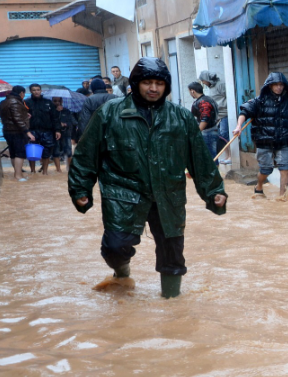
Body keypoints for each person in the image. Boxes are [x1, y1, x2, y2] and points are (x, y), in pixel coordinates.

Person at [68, 57, 228, 299]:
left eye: (159, 83)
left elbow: (200, 159)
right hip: (122, 192)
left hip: (168, 192)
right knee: (114, 246)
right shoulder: (110, 113)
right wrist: (81, 189)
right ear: (135, 83)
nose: (153, 88)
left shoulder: (181, 117)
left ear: (167, 86)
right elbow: (86, 154)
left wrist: (214, 190)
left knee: (172, 250)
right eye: (148, 82)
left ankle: (173, 307)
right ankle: (122, 275)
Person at [234, 72, 288, 199]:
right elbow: (244, 112)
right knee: (266, 170)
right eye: (276, 85)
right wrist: (238, 126)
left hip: (284, 140)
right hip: (264, 140)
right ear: (269, 86)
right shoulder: (259, 101)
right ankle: (259, 186)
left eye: (281, 85)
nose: (279, 87)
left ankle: (282, 197)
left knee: (285, 168)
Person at [25, 83, 61, 175]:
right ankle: (33, 171)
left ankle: (45, 172)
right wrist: (26, 131)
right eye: (34, 90)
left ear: (41, 91)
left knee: (47, 151)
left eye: (38, 90)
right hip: (32, 130)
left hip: (47, 130)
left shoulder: (48, 102)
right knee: (32, 151)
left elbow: (55, 118)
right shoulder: (26, 103)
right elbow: (22, 117)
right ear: (31, 91)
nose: (36, 92)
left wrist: (57, 130)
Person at [0, 85, 34, 181]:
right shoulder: (16, 102)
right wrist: (27, 132)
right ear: (21, 93)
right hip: (17, 131)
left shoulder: (3, 102)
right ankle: (18, 175)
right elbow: (17, 119)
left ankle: (17, 173)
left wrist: (24, 115)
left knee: (13, 152)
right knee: (20, 153)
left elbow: (9, 116)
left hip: (7, 130)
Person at [198, 71, 230, 164]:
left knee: (224, 134)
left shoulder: (221, 85)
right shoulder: (211, 87)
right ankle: (227, 155)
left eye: (203, 81)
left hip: (225, 113)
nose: (203, 83)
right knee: (221, 136)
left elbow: (229, 96)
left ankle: (229, 156)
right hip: (218, 115)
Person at [188, 81, 219, 161]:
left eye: (189, 92)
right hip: (211, 130)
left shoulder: (203, 101)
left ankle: (214, 173)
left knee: (210, 156)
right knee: (210, 155)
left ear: (192, 91)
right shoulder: (207, 99)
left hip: (208, 132)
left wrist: (197, 132)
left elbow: (205, 118)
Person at [51, 97, 76, 170]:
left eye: (59, 101)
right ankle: (58, 170)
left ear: (62, 101)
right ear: (52, 101)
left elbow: (73, 122)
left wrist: (65, 124)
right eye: (55, 101)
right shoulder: (51, 111)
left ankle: (69, 169)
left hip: (66, 134)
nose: (57, 102)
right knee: (56, 152)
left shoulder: (66, 111)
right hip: (55, 134)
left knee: (68, 152)